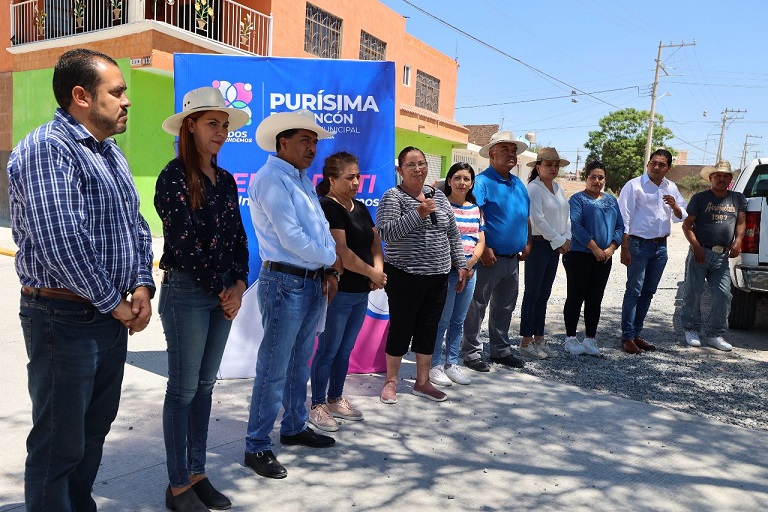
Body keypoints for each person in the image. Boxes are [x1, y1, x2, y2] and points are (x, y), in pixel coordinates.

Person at [7, 48, 155, 512]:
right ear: (81, 96)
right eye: (117, 91)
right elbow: (61, 240)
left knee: (92, 436)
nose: (127, 100)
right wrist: (115, 302)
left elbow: (135, 226)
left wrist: (141, 287)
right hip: (63, 317)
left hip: (108, 316)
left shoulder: (109, 153)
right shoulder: (47, 148)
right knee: (58, 444)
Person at [155, 86, 250, 511]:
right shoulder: (173, 176)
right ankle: (178, 486)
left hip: (223, 294)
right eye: (213, 123)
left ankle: (197, 472)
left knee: (205, 387)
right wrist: (222, 291)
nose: (221, 132)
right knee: (182, 390)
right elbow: (185, 244)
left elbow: (239, 239)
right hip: (189, 294)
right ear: (190, 126)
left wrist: (240, 284)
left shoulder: (227, 180)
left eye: (225, 125)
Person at [243, 109, 344, 480]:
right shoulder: (272, 179)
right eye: (305, 139)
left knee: (299, 360)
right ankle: (256, 445)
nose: (312, 147)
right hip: (286, 282)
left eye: (315, 141)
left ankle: (294, 426)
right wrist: (332, 258)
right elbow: (292, 238)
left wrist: (326, 265)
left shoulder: (300, 179)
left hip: (307, 280)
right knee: (273, 368)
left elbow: (315, 232)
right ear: (282, 142)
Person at [376, 146, 468, 403]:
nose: (418, 169)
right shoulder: (392, 197)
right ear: (400, 170)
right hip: (404, 276)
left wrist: (460, 265)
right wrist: (417, 214)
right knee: (401, 329)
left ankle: (423, 382)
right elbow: (386, 233)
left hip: (438, 277)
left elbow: (452, 234)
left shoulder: (438, 196)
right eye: (411, 165)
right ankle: (391, 381)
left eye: (422, 163)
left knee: (429, 329)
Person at [309, 152, 386, 432]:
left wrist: (377, 272)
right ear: (332, 179)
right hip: (339, 293)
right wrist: (372, 273)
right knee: (328, 350)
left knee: (345, 350)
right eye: (349, 177)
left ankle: (335, 398)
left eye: (358, 176)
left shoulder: (361, 207)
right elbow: (340, 251)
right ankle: (317, 404)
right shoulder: (329, 207)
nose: (356, 182)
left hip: (361, 292)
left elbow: (375, 242)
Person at [461, 131, 530, 372]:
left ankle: (500, 350)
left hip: (513, 259)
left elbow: (525, 216)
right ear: (491, 154)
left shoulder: (518, 183)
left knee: (505, 306)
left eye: (514, 151)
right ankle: (470, 352)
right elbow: (473, 216)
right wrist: (486, 247)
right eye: (505, 150)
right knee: (477, 305)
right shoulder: (481, 183)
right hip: (489, 257)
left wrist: (527, 241)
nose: (511, 155)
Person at [618, 149, 687, 354]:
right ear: (648, 163)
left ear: (668, 168)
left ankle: (637, 333)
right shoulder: (634, 185)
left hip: (660, 247)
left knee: (648, 292)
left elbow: (682, 214)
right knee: (634, 290)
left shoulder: (671, 187)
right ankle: (627, 337)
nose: (656, 167)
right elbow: (624, 218)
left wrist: (674, 206)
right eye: (653, 163)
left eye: (661, 164)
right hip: (638, 245)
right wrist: (625, 247)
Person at [429, 163, 486, 387]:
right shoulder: (442, 208)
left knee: (458, 320)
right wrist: (459, 265)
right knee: (442, 320)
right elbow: (438, 239)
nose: (462, 183)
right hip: (448, 271)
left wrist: (470, 264)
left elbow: (481, 240)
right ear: (449, 180)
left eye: (467, 179)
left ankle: (452, 363)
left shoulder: (476, 209)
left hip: (470, 272)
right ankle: (434, 364)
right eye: (457, 178)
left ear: (472, 183)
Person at [681, 160, 746, 351]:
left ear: (730, 179)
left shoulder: (737, 199)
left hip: (722, 256)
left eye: (726, 176)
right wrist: (696, 246)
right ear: (711, 178)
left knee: (724, 295)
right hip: (700, 253)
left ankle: (715, 334)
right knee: (694, 292)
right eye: (718, 175)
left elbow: (741, 224)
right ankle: (691, 329)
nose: (722, 179)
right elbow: (687, 225)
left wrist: (737, 242)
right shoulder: (699, 198)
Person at [562, 160, 624, 356]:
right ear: (585, 178)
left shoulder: (611, 200)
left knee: (595, 298)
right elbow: (575, 226)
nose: (597, 181)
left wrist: (612, 248)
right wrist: (595, 248)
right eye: (593, 177)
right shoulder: (577, 199)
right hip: (580, 255)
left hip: (605, 257)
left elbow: (620, 227)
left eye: (601, 177)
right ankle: (570, 338)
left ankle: (590, 339)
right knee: (576, 296)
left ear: (605, 179)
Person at [519, 148, 571, 359]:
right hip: (541, 245)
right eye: (548, 164)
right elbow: (537, 219)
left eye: (556, 165)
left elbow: (566, 215)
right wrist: (559, 240)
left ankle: (539, 339)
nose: (553, 168)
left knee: (544, 293)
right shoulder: (534, 188)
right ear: (538, 166)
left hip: (555, 247)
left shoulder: (558, 188)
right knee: (532, 293)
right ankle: (525, 341)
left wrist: (567, 237)